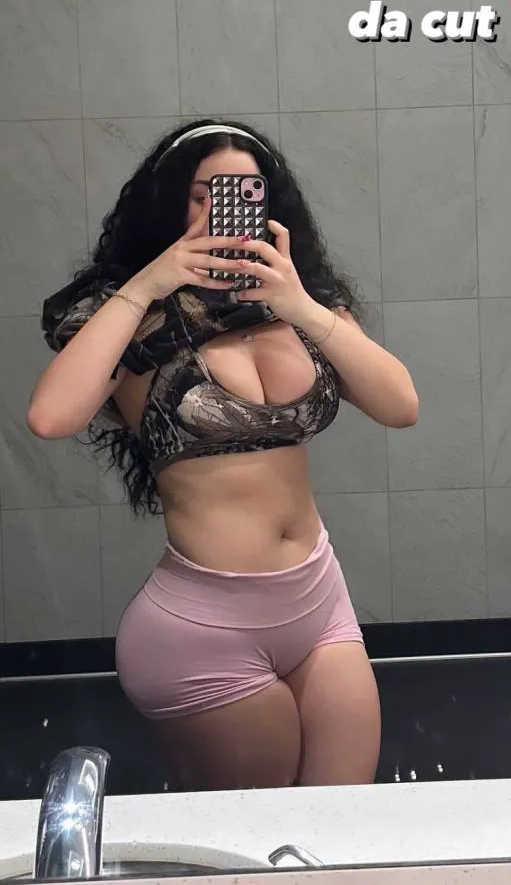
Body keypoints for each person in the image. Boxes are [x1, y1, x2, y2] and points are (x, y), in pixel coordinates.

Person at [28, 119, 419, 791]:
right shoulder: (132, 313)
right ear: (170, 203)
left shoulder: (301, 302)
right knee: (254, 833)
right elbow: (50, 417)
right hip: (204, 627)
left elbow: (400, 405)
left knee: (343, 821)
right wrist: (150, 282)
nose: (226, 208)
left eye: (246, 191)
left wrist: (300, 304)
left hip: (319, 604)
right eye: (204, 193)